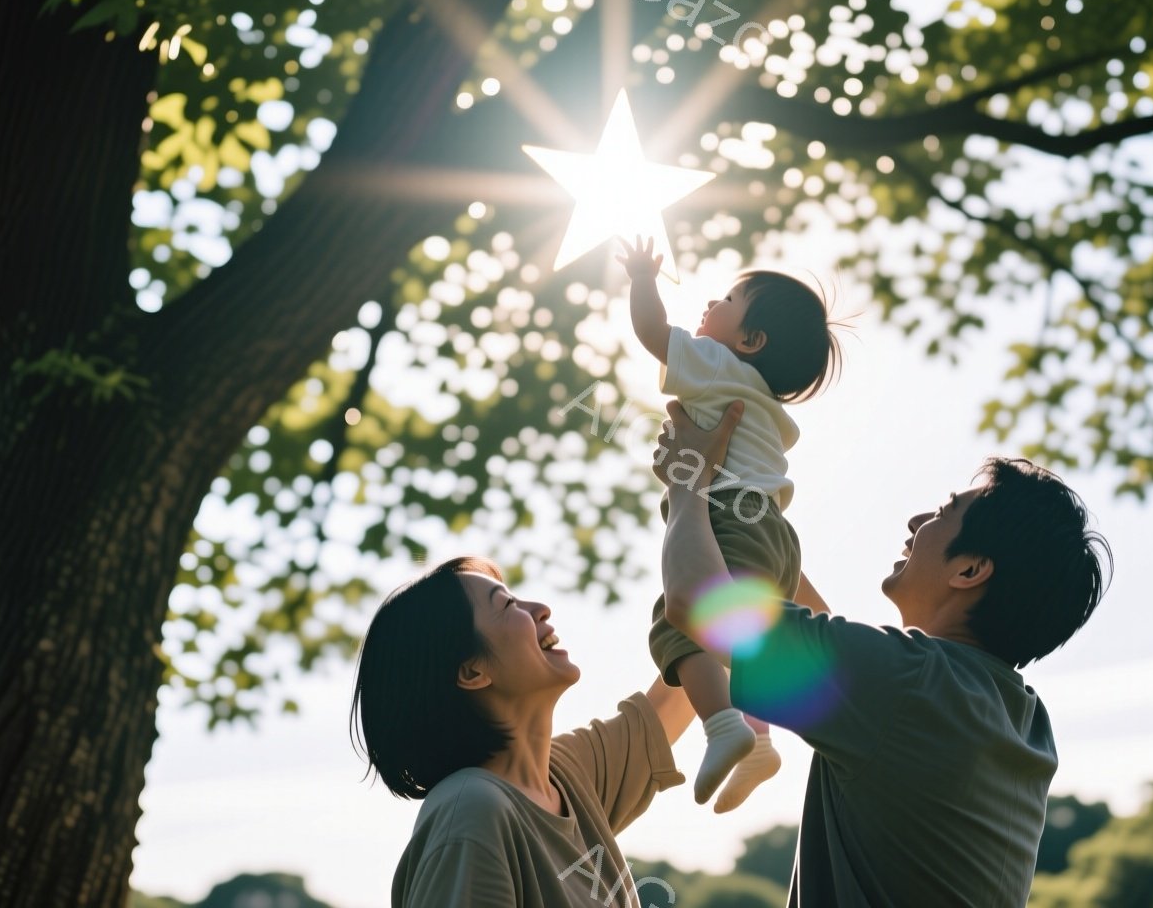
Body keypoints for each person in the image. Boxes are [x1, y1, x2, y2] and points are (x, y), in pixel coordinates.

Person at [652, 401, 1113, 907]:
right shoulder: (1018, 718)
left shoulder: (908, 684)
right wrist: (751, 516)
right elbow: (829, 645)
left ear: (969, 570)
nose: (916, 521)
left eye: (942, 513)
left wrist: (687, 483)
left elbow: (695, 601)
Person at [616, 235, 842, 812]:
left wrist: (641, 278)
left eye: (727, 300)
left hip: (728, 516)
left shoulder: (716, 365)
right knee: (743, 637)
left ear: (750, 340)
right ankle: (759, 741)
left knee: (681, 622)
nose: (711, 303)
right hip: (776, 536)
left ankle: (722, 724)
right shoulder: (764, 399)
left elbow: (651, 332)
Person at [350, 556, 694, 907]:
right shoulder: (471, 813)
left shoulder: (567, 774)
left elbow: (685, 683)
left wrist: (710, 553)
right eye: (508, 605)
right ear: (472, 671)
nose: (541, 609)